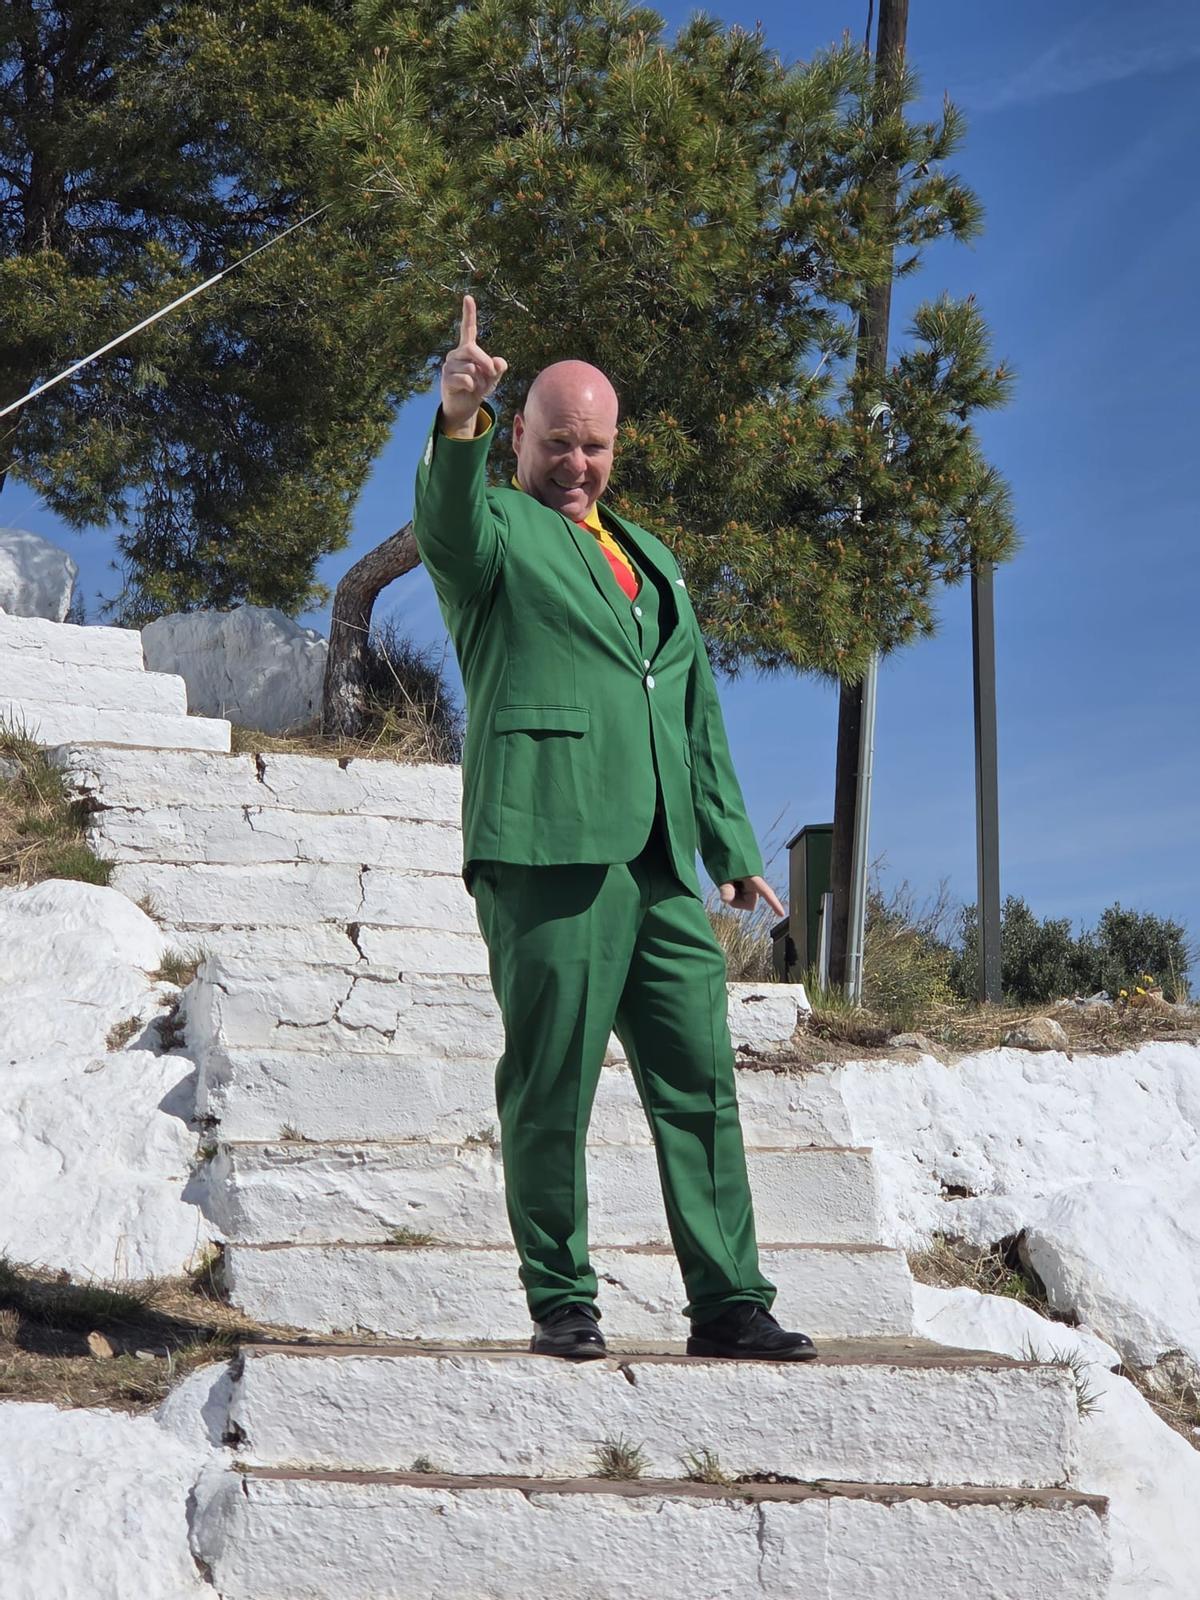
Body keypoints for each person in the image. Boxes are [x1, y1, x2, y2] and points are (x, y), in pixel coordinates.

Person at [412, 295, 817, 1364]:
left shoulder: (654, 556)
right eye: (557, 442)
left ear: (614, 449)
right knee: (551, 1082)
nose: (576, 464)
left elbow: (692, 709)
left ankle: (729, 1303)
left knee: (701, 1081)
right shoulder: (495, 532)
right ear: (521, 437)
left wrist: (730, 845)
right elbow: (446, 522)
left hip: (660, 861)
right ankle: (562, 1299)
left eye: (593, 447)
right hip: (545, 843)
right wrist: (457, 417)